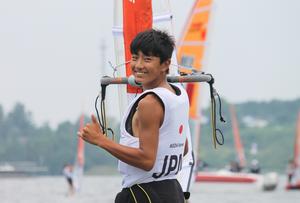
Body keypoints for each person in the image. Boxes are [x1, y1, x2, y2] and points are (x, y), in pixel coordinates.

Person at [78, 29, 189, 203]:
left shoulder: (149, 103)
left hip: (144, 193)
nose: (138, 65)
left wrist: (100, 140)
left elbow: (146, 160)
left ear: (166, 64)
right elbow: (183, 148)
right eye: (135, 57)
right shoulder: (179, 95)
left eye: (147, 59)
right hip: (173, 191)